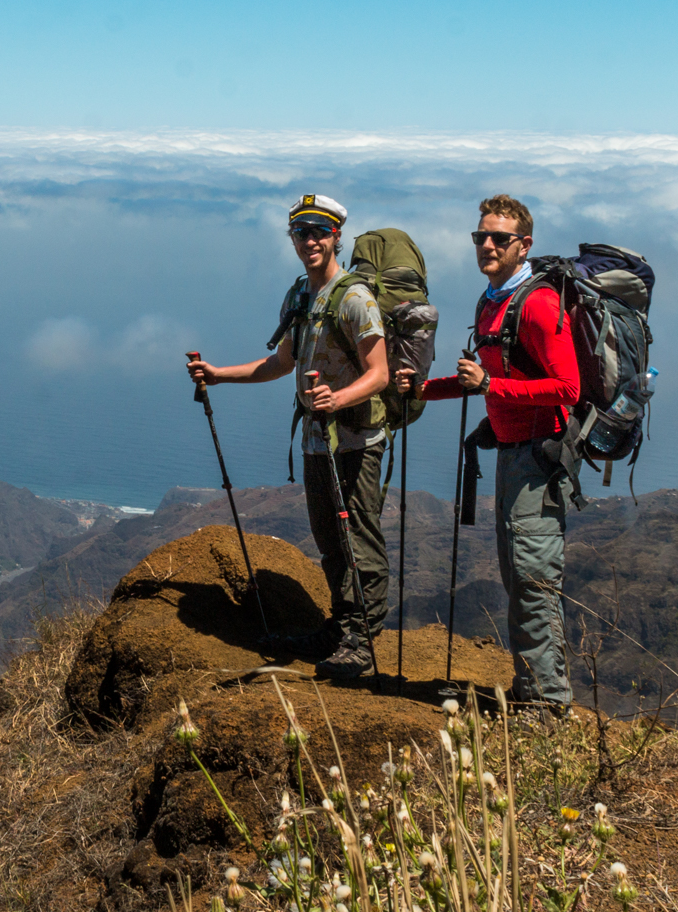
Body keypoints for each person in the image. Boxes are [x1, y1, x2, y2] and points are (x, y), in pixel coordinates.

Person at [186, 193, 391, 679]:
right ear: (293, 239)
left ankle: (362, 640)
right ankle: (340, 628)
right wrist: (218, 375)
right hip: (317, 442)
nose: (311, 241)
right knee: (328, 539)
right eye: (302, 233)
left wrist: (337, 401)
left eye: (320, 231)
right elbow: (282, 363)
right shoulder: (300, 294)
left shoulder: (355, 298)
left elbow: (379, 372)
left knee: (357, 539)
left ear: (337, 235)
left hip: (355, 441)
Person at [398, 194, 580, 713]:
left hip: (539, 461)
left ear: (525, 245)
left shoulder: (540, 303)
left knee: (532, 579)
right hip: (511, 456)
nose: (487, 245)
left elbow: (568, 387)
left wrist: (492, 387)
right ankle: (534, 693)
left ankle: (547, 706)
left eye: (500, 238)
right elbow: (478, 380)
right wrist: (424, 390)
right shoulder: (491, 300)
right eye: (480, 236)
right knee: (517, 575)